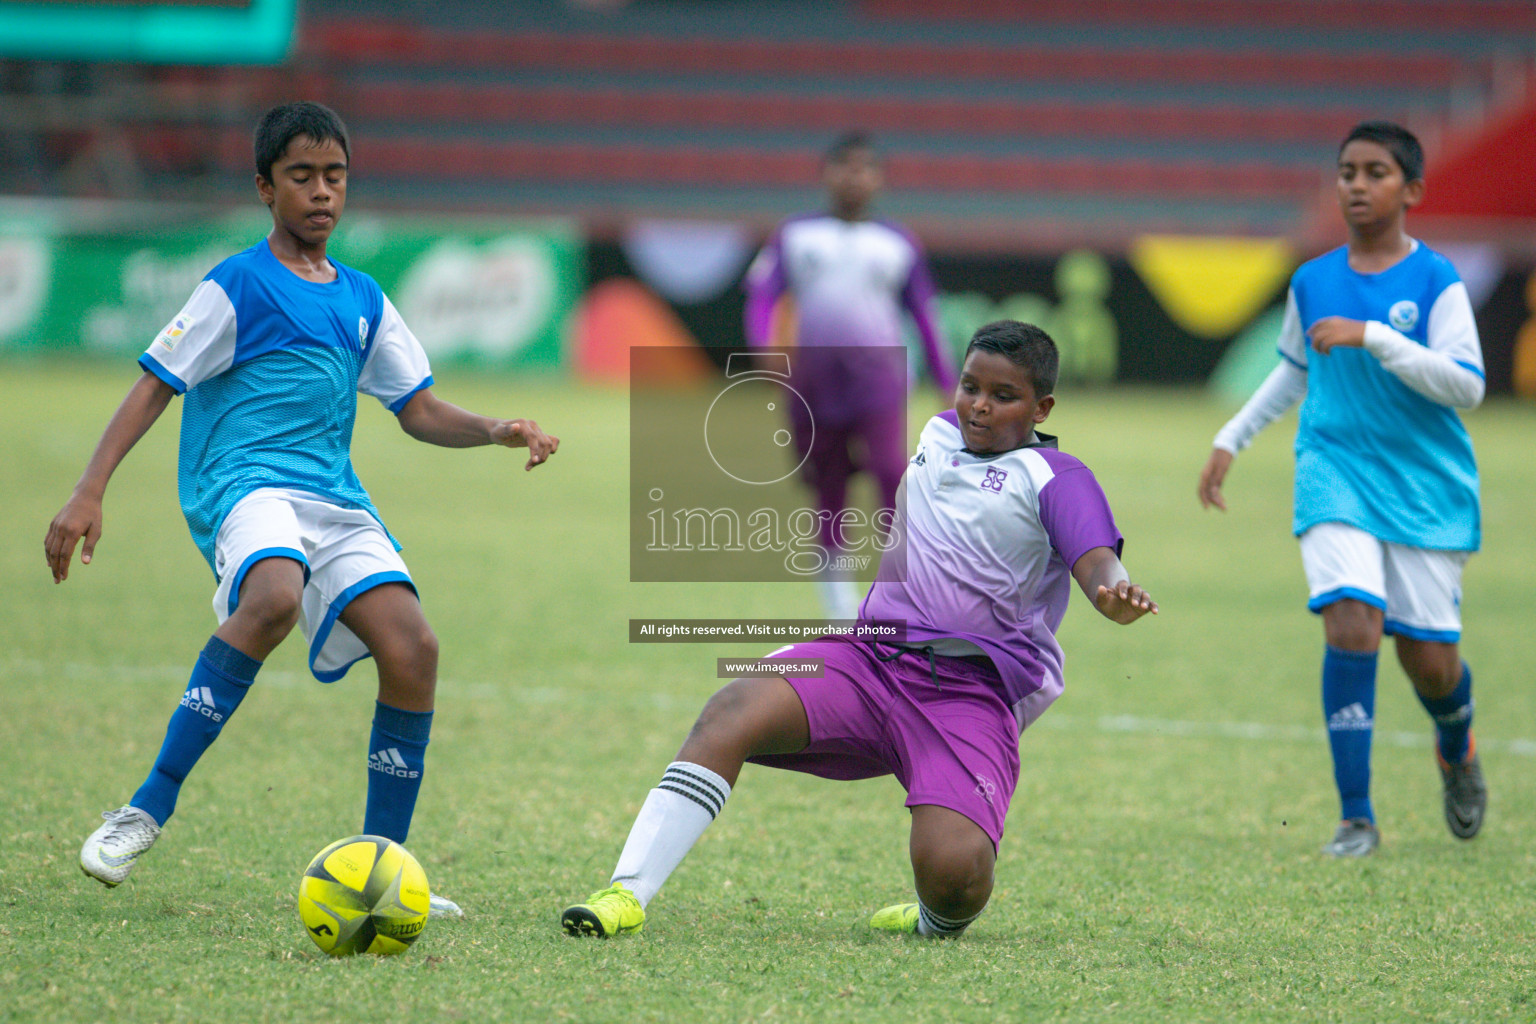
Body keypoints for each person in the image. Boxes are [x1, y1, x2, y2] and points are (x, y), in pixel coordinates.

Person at [46, 102, 560, 914]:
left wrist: (497, 428)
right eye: (302, 176)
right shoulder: (237, 284)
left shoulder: (361, 297)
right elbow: (155, 383)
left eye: (335, 176)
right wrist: (88, 489)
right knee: (275, 595)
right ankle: (145, 808)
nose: (322, 192)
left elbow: (417, 408)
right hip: (245, 485)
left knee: (415, 647)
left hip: (334, 498)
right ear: (264, 187)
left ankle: (383, 865)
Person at [561, 320, 1156, 939]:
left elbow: (1097, 562)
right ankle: (625, 894)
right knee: (730, 710)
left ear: (1043, 407)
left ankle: (934, 919)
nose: (979, 405)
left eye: (1003, 396)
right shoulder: (938, 432)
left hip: (965, 696)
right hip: (869, 661)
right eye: (969, 386)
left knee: (954, 874)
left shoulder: (1056, 477)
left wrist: (1113, 593)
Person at [1197, 121, 1486, 858]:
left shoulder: (1437, 282)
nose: (1356, 184)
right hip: (1333, 468)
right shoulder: (1312, 278)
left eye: (1376, 172)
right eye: (1347, 171)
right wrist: (1233, 435)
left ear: (1411, 190)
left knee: (1431, 665)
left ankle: (1457, 742)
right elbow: (1295, 367)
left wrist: (1376, 336)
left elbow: (1469, 386)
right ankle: (1355, 817)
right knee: (1352, 621)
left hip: (1423, 485)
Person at [742, 131, 957, 619]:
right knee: (827, 487)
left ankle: (899, 596)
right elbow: (762, 295)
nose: (854, 177)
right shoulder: (795, 235)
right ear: (827, 174)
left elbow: (924, 312)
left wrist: (947, 378)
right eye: (845, 167)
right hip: (813, 383)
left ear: (878, 178)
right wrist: (765, 349)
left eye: (864, 168)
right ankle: (839, 608)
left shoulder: (898, 242)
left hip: (878, 380)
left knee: (890, 474)